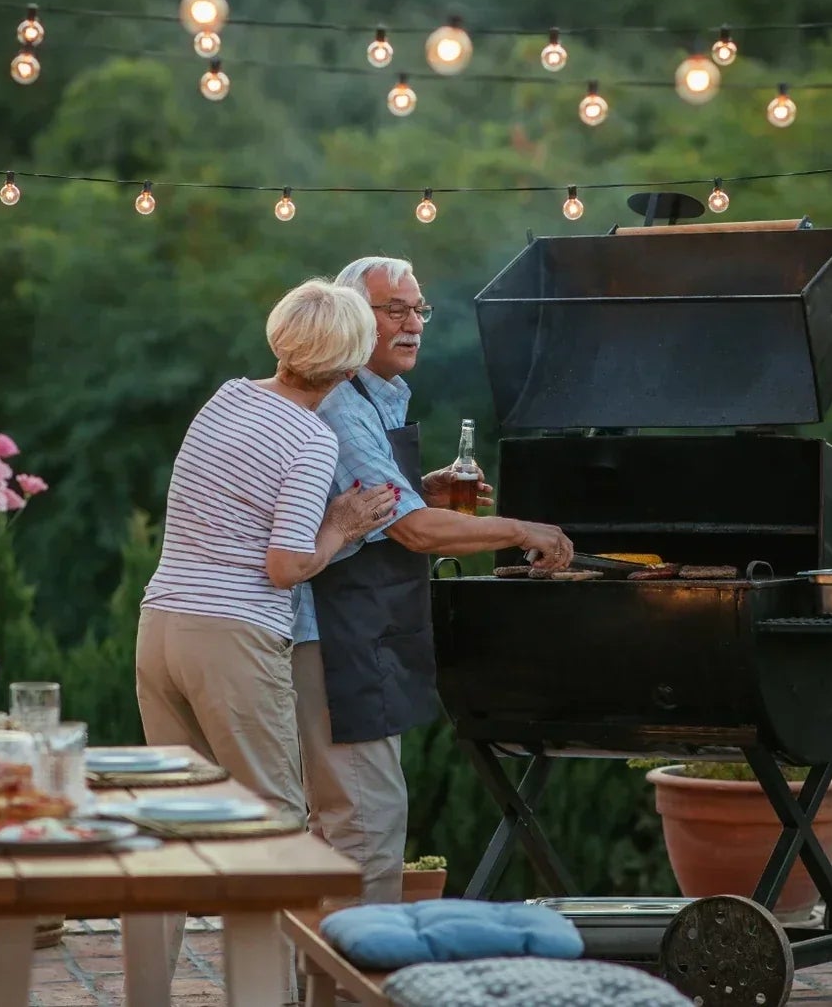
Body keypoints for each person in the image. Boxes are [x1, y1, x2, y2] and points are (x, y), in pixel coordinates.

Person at [293, 255, 575, 906]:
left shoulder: (374, 397)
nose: (412, 323)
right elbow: (414, 531)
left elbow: (375, 507)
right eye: (394, 309)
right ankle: (355, 983)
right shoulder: (343, 402)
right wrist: (521, 529)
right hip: (333, 635)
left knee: (345, 817)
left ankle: (320, 980)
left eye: (418, 308)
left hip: (353, 630)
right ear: (350, 317)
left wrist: (423, 489)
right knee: (365, 820)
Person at [136, 278, 398, 819]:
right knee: (270, 819)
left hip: (161, 625)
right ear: (351, 369)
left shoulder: (226, 397)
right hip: (233, 637)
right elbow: (286, 567)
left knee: (173, 811)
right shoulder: (311, 437)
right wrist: (341, 527)